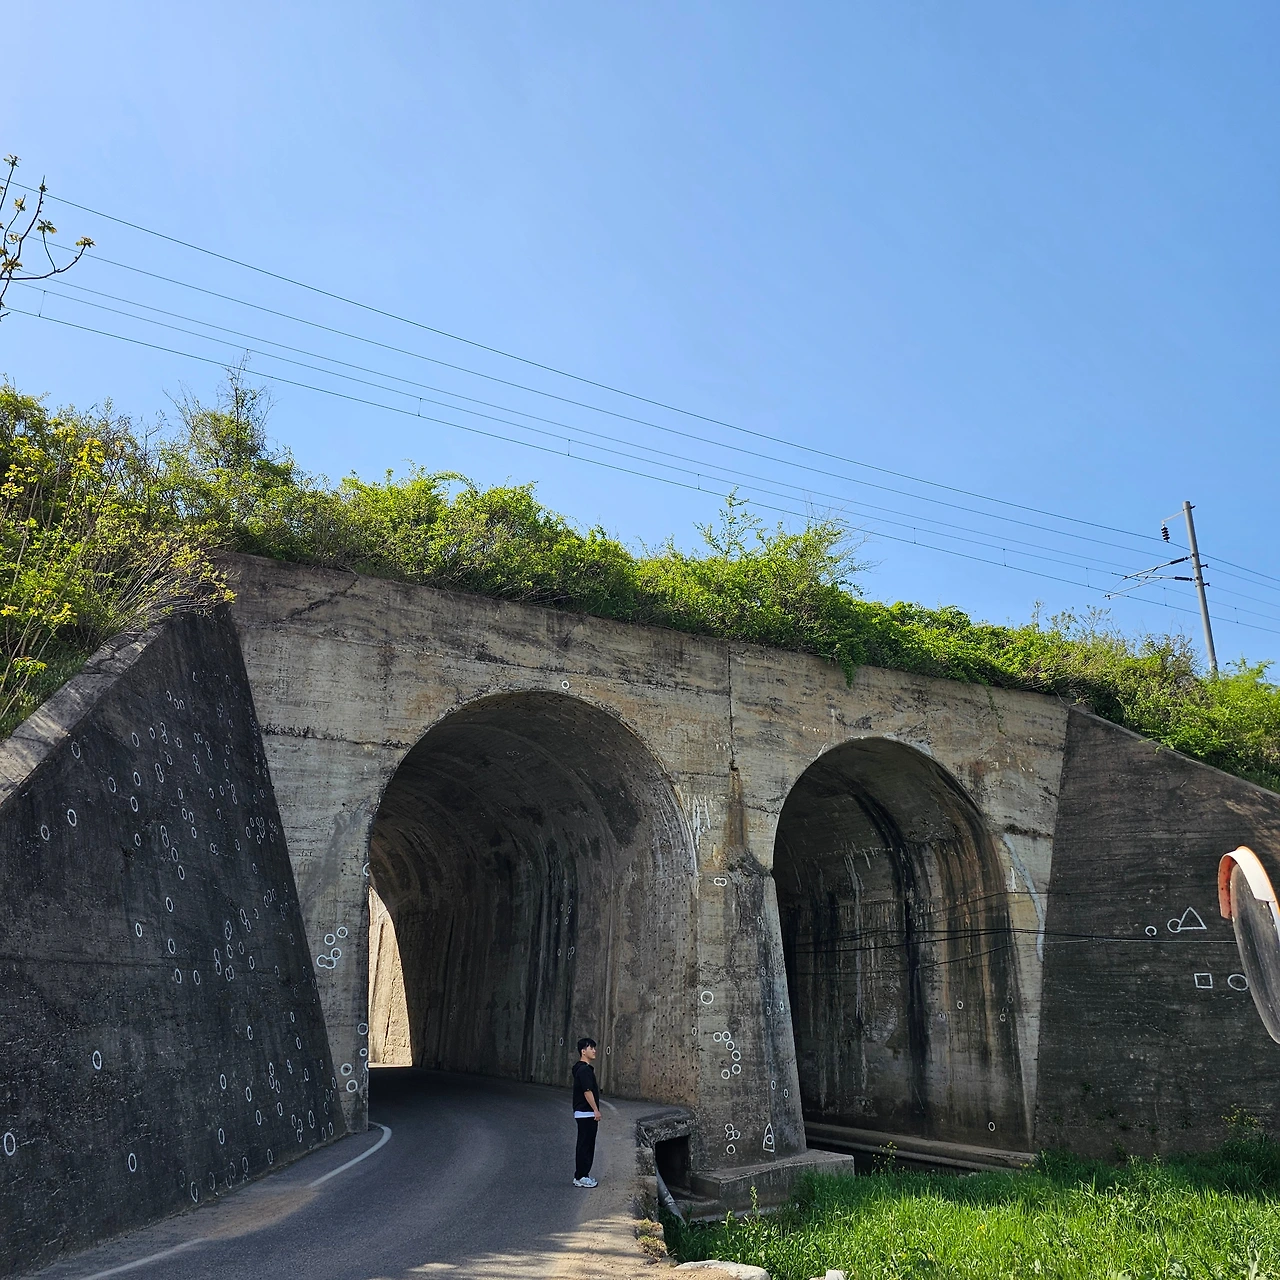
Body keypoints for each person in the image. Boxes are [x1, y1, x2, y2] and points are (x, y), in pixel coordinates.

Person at [571, 1037, 602, 1188]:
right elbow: (587, 1091)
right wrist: (596, 1110)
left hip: (583, 1112)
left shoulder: (581, 1068)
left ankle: (583, 1175)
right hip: (586, 1113)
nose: (594, 1051)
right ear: (583, 1051)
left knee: (585, 1144)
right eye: (591, 1048)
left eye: (594, 1048)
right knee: (586, 1145)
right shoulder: (584, 1070)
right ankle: (581, 1176)